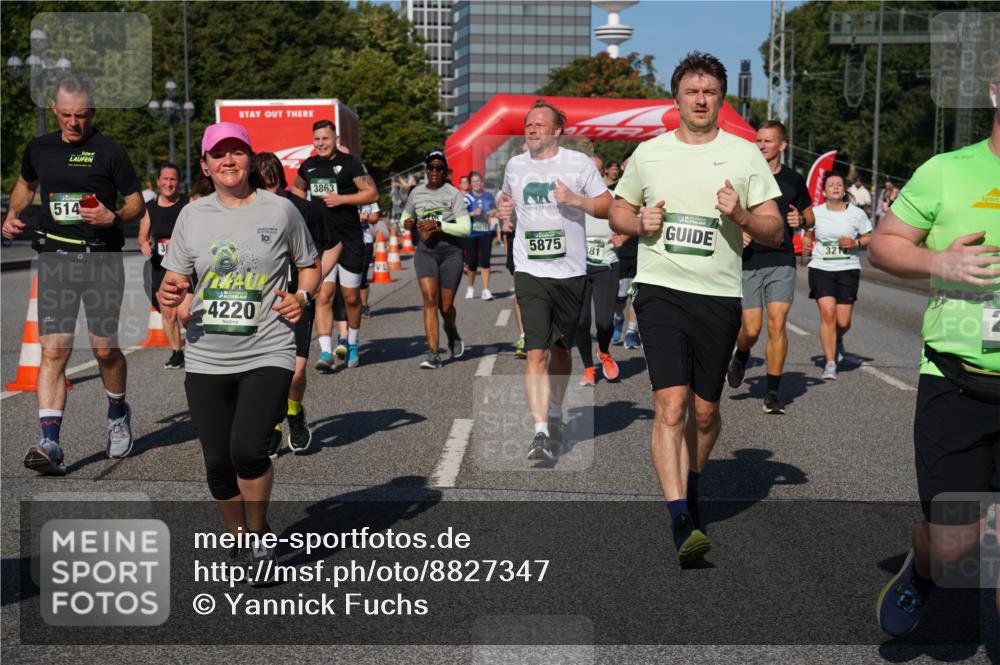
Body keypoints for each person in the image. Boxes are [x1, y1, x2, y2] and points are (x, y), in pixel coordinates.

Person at [609, 52, 782, 564]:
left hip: (720, 294)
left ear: (720, 99)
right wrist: (638, 221)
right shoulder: (650, 153)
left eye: (709, 92)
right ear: (677, 97)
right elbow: (619, 207)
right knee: (672, 405)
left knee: (705, 414)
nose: (700, 99)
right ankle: (680, 515)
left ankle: (695, 479)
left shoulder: (745, 155)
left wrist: (744, 214)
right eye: (692, 91)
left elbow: (775, 229)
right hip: (660, 289)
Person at [869, 64, 1000, 638]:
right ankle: (925, 568)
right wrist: (937, 262)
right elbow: (884, 244)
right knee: (955, 550)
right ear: (996, 92)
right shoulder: (948, 172)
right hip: (958, 383)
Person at [158, 122, 319, 574]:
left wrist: (302, 297)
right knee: (216, 462)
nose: (228, 161)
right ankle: (238, 535)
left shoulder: (281, 210)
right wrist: (170, 295)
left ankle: (260, 532)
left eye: (237, 152)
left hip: (267, 348)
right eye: (218, 154)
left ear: (250, 159)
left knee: (249, 449)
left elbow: (308, 265)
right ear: (206, 165)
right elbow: (175, 281)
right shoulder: (193, 215)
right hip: (207, 353)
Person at [3, 75, 146, 475]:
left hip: (101, 259)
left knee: (104, 349)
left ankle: (117, 411)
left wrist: (113, 215)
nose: (73, 123)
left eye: (81, 116)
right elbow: (24, 184)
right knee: (53, 350)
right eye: (66, 115)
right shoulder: (39, 148)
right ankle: (50, 441)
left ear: (92, 112)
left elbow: (136, 203)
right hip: (55, 258)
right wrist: (13, 215)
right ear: (54, 110)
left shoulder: (110, 152)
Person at [497, 100, 612, 462]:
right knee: (536, 350)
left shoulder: (577, 163)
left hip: (571, 271)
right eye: (528, 124)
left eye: (539, 125)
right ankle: (540, 432)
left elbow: (607, 205)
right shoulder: (515, 165)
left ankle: (558, 413)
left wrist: (575, 200)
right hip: (530, 269)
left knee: (561, 350)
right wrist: (502, 210)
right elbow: (506, 198)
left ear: (557, 130)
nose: (531, 129)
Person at [726, 120, 814, 414]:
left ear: (782, 145)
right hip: (749, 260)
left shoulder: (792, 179)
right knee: (751, 328)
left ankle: (773, 393)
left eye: (767, 141)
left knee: (778, 322)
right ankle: (741, 354)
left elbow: (809, 216)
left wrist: (800, 222)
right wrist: (739, 228)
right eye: (758, 140)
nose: (761, 145)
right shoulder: (744, 176)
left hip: (781, 258)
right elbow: (725, 212)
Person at [255, 151, 338, 455]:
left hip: (297, 300)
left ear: (282, 180)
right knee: (268, 370)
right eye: (264, 186)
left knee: (297, 371)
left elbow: (333, 246)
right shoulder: (248, 212)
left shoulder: (304, 209)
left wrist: (312, 283)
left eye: (275, 185)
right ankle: (274, 424)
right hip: (261, 301)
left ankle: (294, 412)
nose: (271, 192)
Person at [291, 119, 377, 371]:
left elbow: (371, 193)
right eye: (317, 139)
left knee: (351, 298)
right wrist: (304, 211)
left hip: (349, 238)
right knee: (323, 295)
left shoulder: (350, 163)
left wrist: (342, 199)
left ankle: (352, 342)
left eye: (325, 139)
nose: (321, 144)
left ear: (335, 139)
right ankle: (326, 351)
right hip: (322, 241)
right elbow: (296, 189)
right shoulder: (309, 166)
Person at [401, 151, 471, 368]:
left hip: (451, 252)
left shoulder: (453, 193)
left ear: (445, 171)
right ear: (426, 170)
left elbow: (466, 228)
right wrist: (407, 223)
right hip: (426, 251)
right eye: (430, 167)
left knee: (446, 307)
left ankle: (451, 330)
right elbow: (406, 215)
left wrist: (440, 226)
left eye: (439, 168)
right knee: (430, 300)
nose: (434, 171)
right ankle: (433, 353)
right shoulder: (416, 193)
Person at [801, 172, 872, 380]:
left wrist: (855, 243)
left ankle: (837, 339)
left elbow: (868, 237)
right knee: (828, 314)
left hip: (848, 269)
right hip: (821, 268)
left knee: (843, 322)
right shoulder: (816, 212)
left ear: (844, 190)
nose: (835, 187)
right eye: (831, 184)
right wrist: (806, 241)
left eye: (839, 184)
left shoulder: (856, 214)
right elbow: (808, 232)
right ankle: (830, 362)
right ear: (824, 191)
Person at [138, 162, 190, 369]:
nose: (169, 183)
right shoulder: (150, 208)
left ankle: (198, 348)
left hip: (187, 266)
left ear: (178, 181)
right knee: (168, 313)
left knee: (184, 313)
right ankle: (177, 353)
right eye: (165, 179)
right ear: (159, 181)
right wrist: (144, 244)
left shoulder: (187, 204)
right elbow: (143, 234)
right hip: (161, 267)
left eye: (173, 179)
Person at [575, 209, 621, 386]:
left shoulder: (613, 197)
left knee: (605, 322)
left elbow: (635, 220)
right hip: (578, 268)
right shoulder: (573, 198)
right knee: (581, 321)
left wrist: (623, 236)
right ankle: (588, 368)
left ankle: (603, 351)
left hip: (607, 265)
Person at [463, 171, 498, 301]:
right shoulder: (467, 198)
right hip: (472, 233)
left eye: (478, 181)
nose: (476, 183)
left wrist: (493, 212)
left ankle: (485, 290)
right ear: (471, 184)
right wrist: (472, 213)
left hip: (486, 232)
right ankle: (470, 288)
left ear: (482, 183)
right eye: (474, 181)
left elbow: (495, 211)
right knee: (472, 263)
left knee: (485, 261)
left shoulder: (489, 196)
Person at [358, 201, 380, 318]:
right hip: (347, 241)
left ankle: (363, 305)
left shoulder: (369, 196)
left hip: (366, 241)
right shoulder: (343, 193)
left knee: (362, 275)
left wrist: (365, 218)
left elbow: (375, 217)